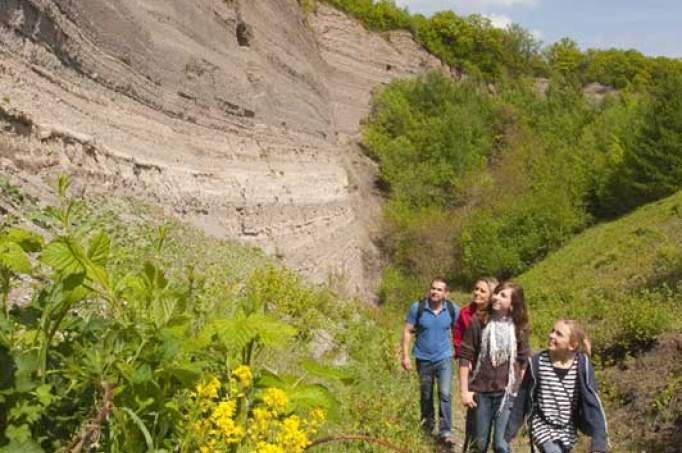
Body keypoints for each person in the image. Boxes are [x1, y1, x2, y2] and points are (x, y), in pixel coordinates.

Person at [505, 320, 608, 453]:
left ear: (572, 345)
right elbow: (522, 398)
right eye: (552, 331)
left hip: (567, 429)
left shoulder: (582, 365)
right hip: (542, 426)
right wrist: (509, 432)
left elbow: (592, 402)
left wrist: (599, 442)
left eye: (559, 334)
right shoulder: (537, 362)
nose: (552, 336)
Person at [459, 282, 530, 453]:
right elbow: (464, 356)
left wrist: (520, 393)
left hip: (506, 394)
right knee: (480, 444)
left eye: (503, 295)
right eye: (496, 293)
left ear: (512, 305)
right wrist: (464, 391)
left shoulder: (519, 328)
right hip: (481, 392)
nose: (496, 297)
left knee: (501, 444)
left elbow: (524, 361)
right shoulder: (478, 322)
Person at [401, 278, 460, 445]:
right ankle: (427, 427)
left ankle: (445, 431)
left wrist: (460, 352)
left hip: (444, 358)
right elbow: (407, 331)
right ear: (429, 290)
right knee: (426, 395)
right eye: (433, 288)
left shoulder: (451, 309)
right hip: (423, 358)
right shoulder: (418, 308)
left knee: (445, 393)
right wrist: (405, 356)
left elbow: (460, 329)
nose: (435, 292)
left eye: (439, 290)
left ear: (446, 293)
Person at [453, 277, 499, 452]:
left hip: (493, 372)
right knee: (474, 415)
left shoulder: (498, 316)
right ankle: (470, 446)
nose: (477, 293)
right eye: (476, 289)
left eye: (482, 291)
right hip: (472, 369)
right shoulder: (465, 313)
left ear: (491, 295)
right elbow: (457, 337)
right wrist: (463, 357)